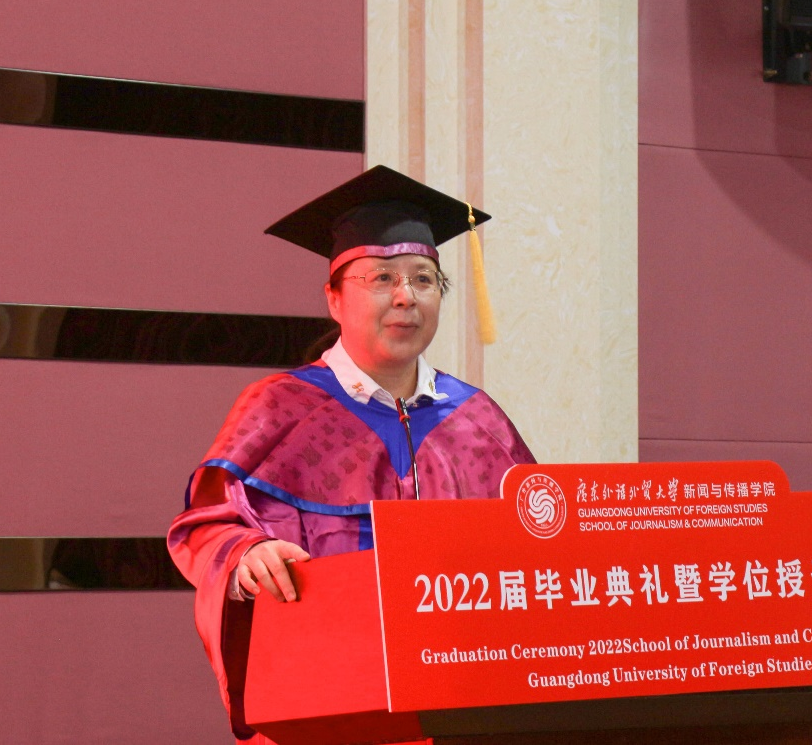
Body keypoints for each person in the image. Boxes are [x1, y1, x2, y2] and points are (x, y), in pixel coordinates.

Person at [167, 165, 536, 740]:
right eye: (381, 278)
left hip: (455, 707)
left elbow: (535, 550)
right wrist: (246, 553)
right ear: (334, 299)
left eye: (424, 279)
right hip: (326, 705)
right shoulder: (280, 409)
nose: (406, 296)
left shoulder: (477, 420)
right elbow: (208, 526)